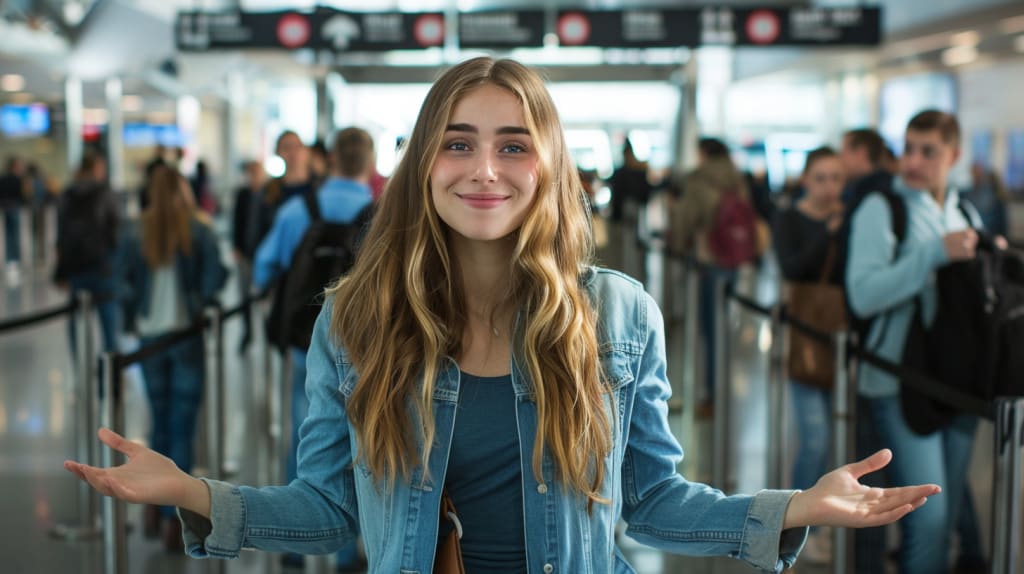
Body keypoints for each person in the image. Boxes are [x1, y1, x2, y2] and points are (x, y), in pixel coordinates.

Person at [65, 57, 939, 574]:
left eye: (513, 144)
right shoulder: (356, 321)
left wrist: (794, 509)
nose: (485, 169)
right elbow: (331, 508)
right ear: (423, 164)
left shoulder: (618, 315)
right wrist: (191, 494)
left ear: (548, 165)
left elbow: (653, 501)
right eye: (459, 142)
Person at [845, 110, 980, 574]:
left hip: (957, 382)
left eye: (929, 151)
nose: (915, 161)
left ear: (954, 156)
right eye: (909, 148)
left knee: (945, 512)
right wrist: (932, 254)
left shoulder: (964, 212)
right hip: (898, 380)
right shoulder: (883, 209)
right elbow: (863, 296)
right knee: (928, 515)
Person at [253, 127, 375, 572]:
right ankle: (347, 551)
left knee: (307, 431)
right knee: (364, 439)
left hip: (308, 342)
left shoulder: (296, 210)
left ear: (331, 160)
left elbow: (265, 266)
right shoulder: (382, 216)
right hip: (370, 346)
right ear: (369, 162)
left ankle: (293, 541)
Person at [118, 165, 227, 552]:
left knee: (159, 424)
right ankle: (171, 522)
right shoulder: (197, 228)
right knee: (182, 429)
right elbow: (218, 274)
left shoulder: (135, 230)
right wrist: (198, 300)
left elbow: (120, 281)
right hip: (185, 338)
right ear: (182, 190)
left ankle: (152, 506)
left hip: (150, 341)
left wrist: (133, 314)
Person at [772, 146, 846, 563]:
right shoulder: (790, 218)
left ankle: (828, 520)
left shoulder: (849, 217)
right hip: (806, 339)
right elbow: (792, 267)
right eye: (821, 177)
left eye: (836, 178)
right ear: (806, 179)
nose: (829, 187)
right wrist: (828, 233)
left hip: (843, 339)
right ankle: (801, 526)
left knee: (838, 438)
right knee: (815, 437)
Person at [55, 152, 121, 354]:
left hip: (75, 266)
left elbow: (62, 234)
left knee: (76, 321)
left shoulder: (67, 194)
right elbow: (116, 228)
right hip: (102, 265)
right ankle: (111, 371)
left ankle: (80, 370)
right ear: (95, 169)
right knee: (108, 320)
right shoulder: (105, 192)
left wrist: (61, 270)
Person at [230, 160, 267, 352]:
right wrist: (235, 246)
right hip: (245, 253)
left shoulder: (269, 195)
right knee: (244, 295)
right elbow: (236, 221)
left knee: (264, 296)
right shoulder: (242, 195)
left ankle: (267, 333)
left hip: (263, 254)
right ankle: (247, 332)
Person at [0, 155, 28, 284]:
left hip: (5, 207)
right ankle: (15, 260)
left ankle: (9, 260)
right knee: (15, 234)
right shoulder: (18, 179)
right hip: (14, 207)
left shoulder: (3, 178)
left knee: (8, 234)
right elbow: (22, 195)